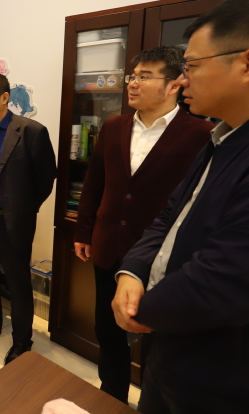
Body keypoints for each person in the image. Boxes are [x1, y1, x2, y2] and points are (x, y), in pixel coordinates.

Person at [112, 0, 249, 414]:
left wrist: (140, 308)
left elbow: (226, 280)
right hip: (174, 353)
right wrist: (132, 270)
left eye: (191, 66)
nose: (183, 81)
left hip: (227, 381)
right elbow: (172, 215)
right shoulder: (225, 136)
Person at [73, 47, 213, 402]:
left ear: (174, 84)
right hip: (108, 244)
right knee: (108, 328)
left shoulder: (201, 133)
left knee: (156, 334)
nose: (132, 84)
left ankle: (150, 399)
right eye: (132, 76)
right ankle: (111, 396)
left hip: (162, 255)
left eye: (144, 77)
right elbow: (94, 183)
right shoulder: (113, 126)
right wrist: (84, 230)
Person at [0, 73, 57, 365]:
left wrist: (24, 209)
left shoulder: (31, 131)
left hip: (13, 223)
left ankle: (22, 340)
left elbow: (46, 178)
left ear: (5, 97)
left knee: (17, 282)